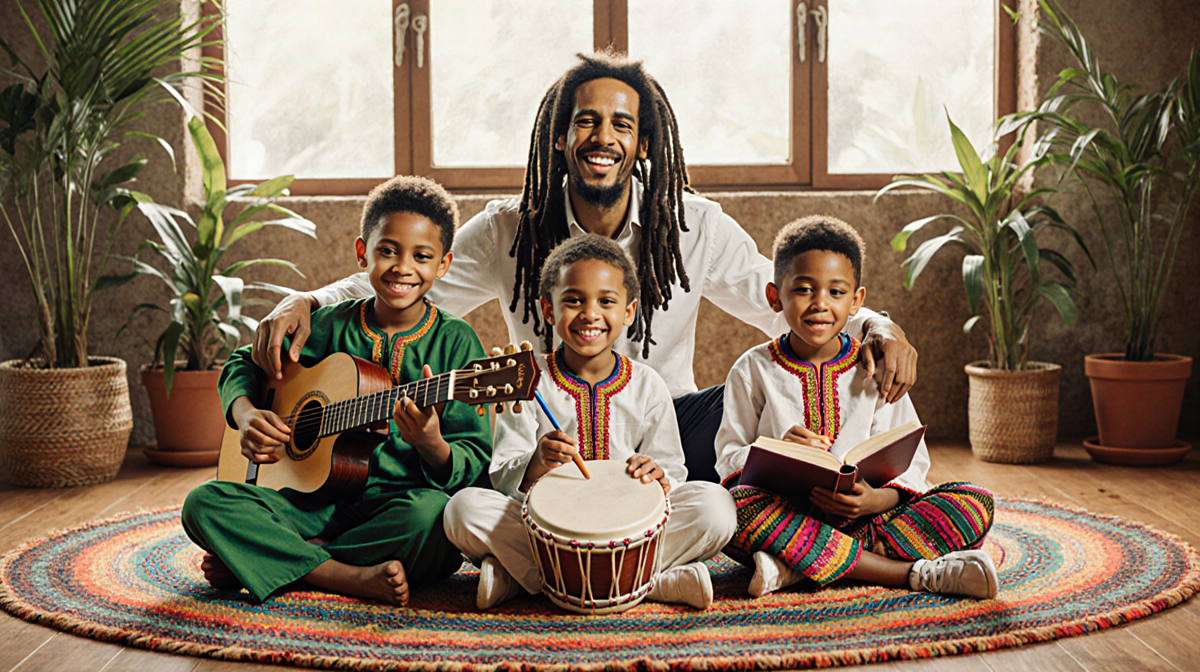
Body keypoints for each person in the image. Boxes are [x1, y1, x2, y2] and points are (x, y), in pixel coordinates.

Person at [250, 51, 918, 483]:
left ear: (644, 142)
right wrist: (305, 301)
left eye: (621, 125)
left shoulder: (695, 225)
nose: (604, 138)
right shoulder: (510, 229)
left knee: (766, 384)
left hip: (666, 434)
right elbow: (407, 283)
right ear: (559, 136)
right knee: (473, 479)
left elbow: (794, 306)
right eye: (587, 122)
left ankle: (849, 496)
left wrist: (878, 325)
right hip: (546, 434)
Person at [181, 176, 492, 605]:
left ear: (443, 265)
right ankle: (344, 575)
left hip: (394, 509)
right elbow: (243, 363)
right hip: (307, 505)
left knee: (434, 521)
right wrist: (246, 414)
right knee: (203, 503)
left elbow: (474, 461)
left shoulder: (456, 343)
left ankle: (276, 558)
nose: (403, 268)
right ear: (362, 252)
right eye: (388, 251)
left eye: (422, 256)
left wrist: (431, 443)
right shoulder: (328, 325)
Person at [443, 235, 737, 610]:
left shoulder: (648, 384)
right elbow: (503, 477)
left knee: (716, 506)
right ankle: (653, 582)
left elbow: (672, 472)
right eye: (573, 300)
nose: (590, 314)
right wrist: (536, 463)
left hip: (631, 526)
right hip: (549, 529)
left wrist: (659, 476)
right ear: (549, 310)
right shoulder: (526, 382)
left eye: (606, 301)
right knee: (463, 509)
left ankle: (527, 579)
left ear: (628, 312)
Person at [714, 215, 997, 599]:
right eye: (804, 289)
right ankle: (908, 573)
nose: (820, 304)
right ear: (774, 296)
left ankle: (798, 564)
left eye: (836, 292)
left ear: (856, 301)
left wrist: (875, 500)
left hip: (866, 519)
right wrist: (775, 450)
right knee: (733, 509)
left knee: (973, 502)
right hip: (784, 515)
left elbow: (913, 466)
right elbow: (728, 458)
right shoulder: (752, 369)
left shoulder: (875, 368)